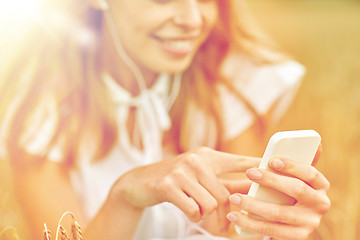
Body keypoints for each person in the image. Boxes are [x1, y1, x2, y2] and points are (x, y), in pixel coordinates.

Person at [0, 0, 330, 239]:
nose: (192, 19)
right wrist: (125, 195)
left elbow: (240, 227)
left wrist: (271, 230)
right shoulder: (42, 115)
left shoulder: (232, 83)